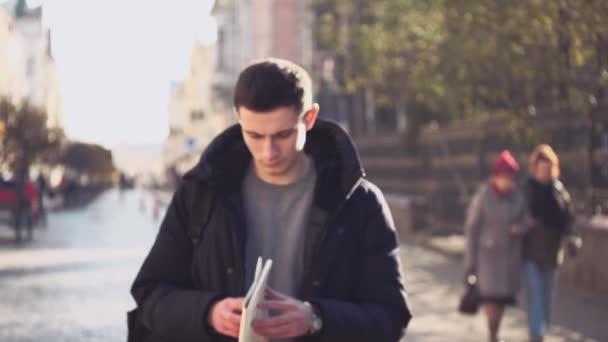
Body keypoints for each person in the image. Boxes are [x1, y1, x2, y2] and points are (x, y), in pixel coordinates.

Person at [130, 58, 411, 342]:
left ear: (309, 118)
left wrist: (316, 318)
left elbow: (391, 316)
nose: (268, 152)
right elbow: (150, 294)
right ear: (238, 119)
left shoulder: (359, 201)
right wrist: (209, 312)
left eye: (283, 134)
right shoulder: (201, 193)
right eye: (254, 135)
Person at [464, 150, 526, 342]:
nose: (506, 181)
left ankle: (495, 331)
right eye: (503, 177)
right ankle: (493, 335)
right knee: (491, 302)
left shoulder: (518, 197)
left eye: (509, 177)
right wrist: (471, 261)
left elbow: (526, 221)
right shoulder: (484, 196)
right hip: (487, 259)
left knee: (501, 304)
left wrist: (519, 229)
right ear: (496, 176)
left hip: (508, 260)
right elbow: (472, 228)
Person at [522, 144, 580, 342]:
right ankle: (536, 334)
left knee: (546, 298)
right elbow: (515, 216)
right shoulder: (527, 190)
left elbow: (570, 219)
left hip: (552, 254)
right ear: (535, 168)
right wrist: (524, 223)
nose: (544, 173)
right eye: (541, 168)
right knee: (535, 294)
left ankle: (540, 329)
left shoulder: (559, 191)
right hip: (530, 253)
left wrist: (572, 238)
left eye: (548, 168)